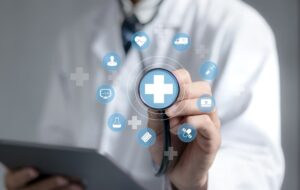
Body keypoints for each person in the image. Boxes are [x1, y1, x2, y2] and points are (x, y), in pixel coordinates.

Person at [3, 0, 285, 189]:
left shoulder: (237, 29)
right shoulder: (76, 37)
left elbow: (258, 169)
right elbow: (59, 148)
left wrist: (197, 181)